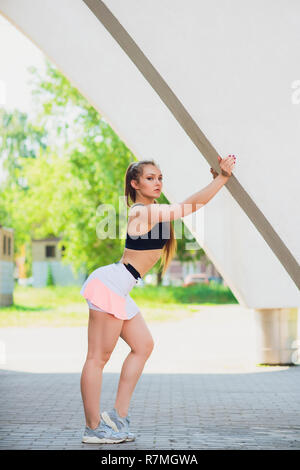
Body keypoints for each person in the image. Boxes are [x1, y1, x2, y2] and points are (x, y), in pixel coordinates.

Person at [80, 155, 236, 444]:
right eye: (150, 178)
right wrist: (221, 180)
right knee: (97, 358)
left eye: (160, 178)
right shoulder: (141, 211)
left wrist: (215, 179)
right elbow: (189, 207)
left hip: (121, 286)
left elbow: (181, 210)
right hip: (110, 285)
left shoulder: (154, 212)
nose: (157, 182)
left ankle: (117, 416)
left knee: (144, 345)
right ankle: (92, 428)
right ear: (135, 183)